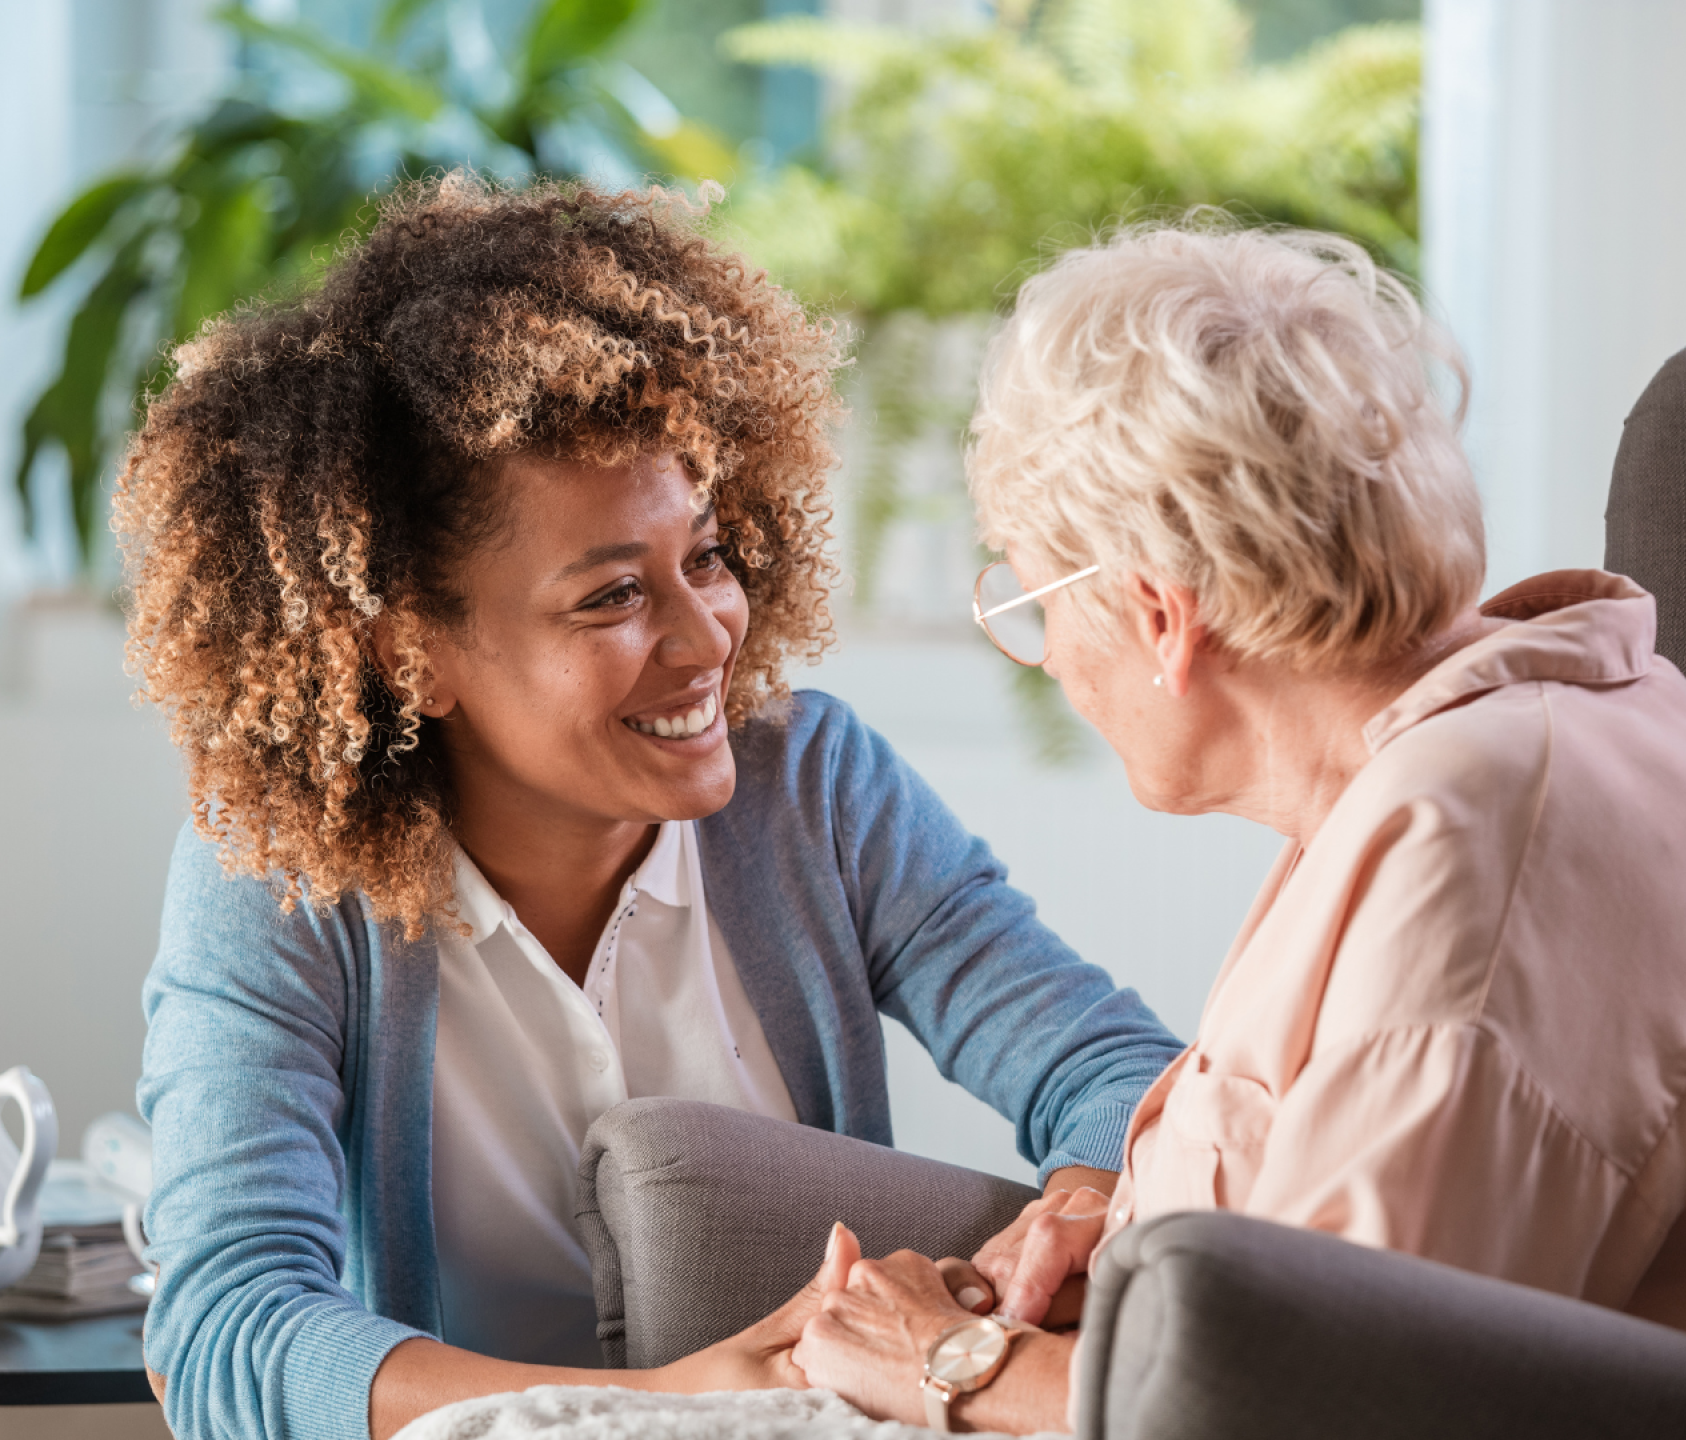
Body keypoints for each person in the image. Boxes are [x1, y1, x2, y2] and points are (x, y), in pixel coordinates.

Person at [121, 174, 1184, 1440]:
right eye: (611, 598)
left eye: (708, 557)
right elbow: (224, 1330)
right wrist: (657, 1410)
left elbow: (1122, 1075)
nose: (706, 639)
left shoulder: (815, 787)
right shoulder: (280, 873)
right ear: (412, 653)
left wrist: (1074, 1209)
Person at [789, 221, 1686, 1432]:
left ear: (1159, 615)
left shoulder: (1475, 843)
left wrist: (954, 1364)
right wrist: (1118, 1227)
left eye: (1032, 596)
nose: (1048, 656)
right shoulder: (1486, 751)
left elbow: (1334, 1398)